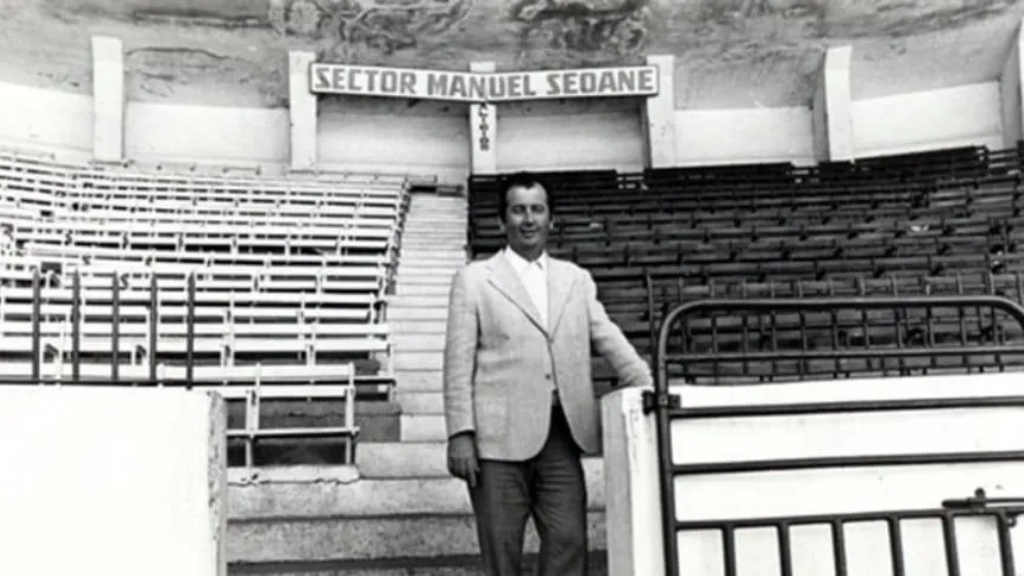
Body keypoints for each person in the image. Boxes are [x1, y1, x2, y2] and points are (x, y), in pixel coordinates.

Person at [443, 171, 653, 575]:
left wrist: (644, 381)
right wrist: (460, 434)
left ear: (550, 219)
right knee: (502, 554)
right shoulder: (474, 280)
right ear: (502, 220)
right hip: (495, 444)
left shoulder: (575, 279)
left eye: (537, 210)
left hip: (561, 434)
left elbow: (606, 336)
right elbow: (457, 362)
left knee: (569, 540)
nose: (528, 219)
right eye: (518, 210)